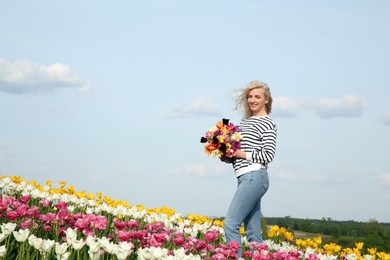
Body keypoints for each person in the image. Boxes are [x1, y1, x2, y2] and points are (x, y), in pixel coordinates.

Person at [223, 80, 277, 257]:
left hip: (255, 175)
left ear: (266, 100)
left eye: (257, 97)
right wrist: (226, 155)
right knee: (253, 233)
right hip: (244, 176)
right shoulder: (244, 123)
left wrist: (241, 154)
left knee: (231, 223)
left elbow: (268, 155)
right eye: (250, 96)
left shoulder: (268, 123)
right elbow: (237, 154)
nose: (253, 100)